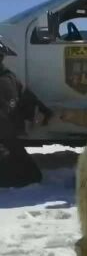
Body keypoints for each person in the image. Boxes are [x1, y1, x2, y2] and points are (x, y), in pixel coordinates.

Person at [0, 48, 51, 187]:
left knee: (33, 176)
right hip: (4, 141)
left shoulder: (9, 78)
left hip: (9, 140)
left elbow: (25, 95)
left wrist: (43, 110)